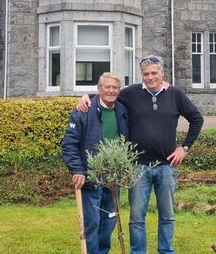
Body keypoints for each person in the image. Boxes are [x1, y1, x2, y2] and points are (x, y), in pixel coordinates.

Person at [77, 55, 204, 254]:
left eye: (154, 73)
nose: (150, 77)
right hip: (138, 167)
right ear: (141, 75)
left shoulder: (175, 94)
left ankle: (166, 251)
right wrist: (87, 97)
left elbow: (196, 118)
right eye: (146, 74)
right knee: (136, 218)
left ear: (162, 73)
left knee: (167, 216)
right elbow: (109, 94)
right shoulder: (132, 93)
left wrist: (184, 148)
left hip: (166, 166)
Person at [62, 72, 129, 254]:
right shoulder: (84, 111)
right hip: (91, 177)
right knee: (92, 222)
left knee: (109, 221)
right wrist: (77, 170)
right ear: (99, 89)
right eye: (107, 87)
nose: (111, 90)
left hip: (114, 177)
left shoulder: (122, 111)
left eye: (115, 87)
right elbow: (69, 144)